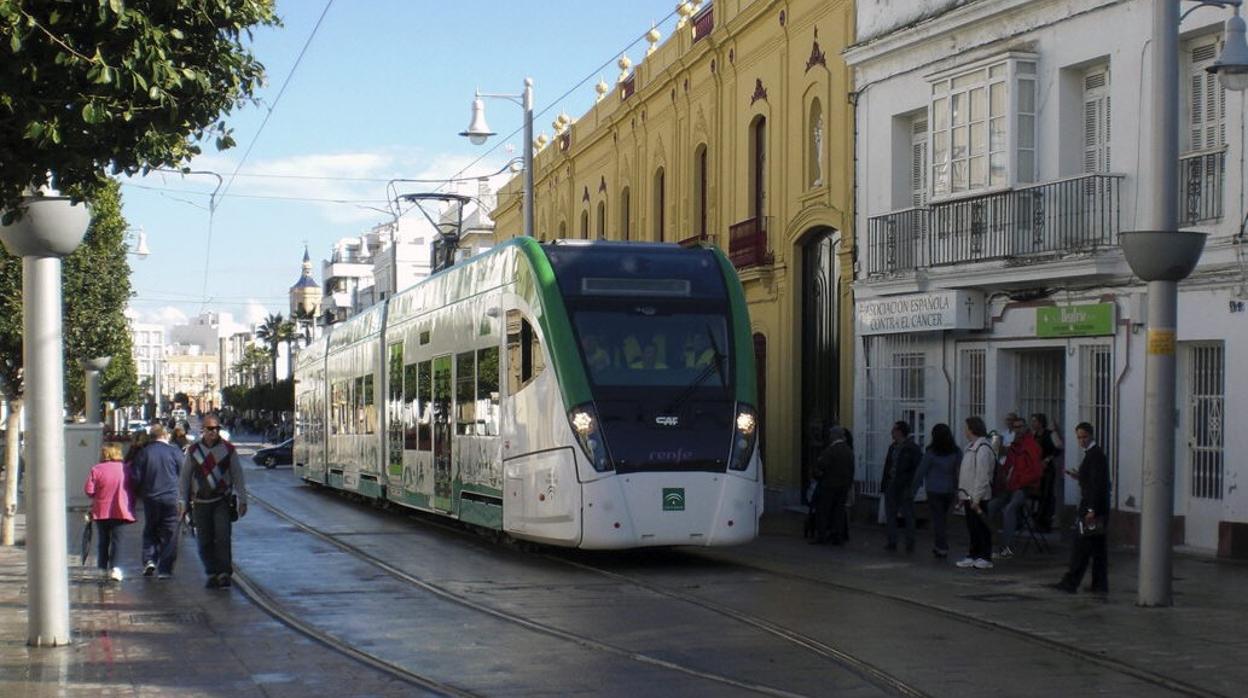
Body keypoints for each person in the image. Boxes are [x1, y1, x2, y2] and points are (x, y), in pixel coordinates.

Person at [179, 415, 247, 589]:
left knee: (223, 537)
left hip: (221, 501)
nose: (213, 432)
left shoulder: (228, 450)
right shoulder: (194, 451)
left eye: (216, 429)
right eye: (210, 429)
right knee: (204, 540)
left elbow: (237, 475)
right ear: (203, 430)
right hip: (200, 502)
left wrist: (242, 499)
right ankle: (211, 572)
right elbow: (185, 477)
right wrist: (183, 502)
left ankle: (224, 572)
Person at [1055, 422, 1110, 594]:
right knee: (1097, 548)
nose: (1081, 441)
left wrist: (1091, 509)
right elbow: (1091, 481)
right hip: (1097, 507)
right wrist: (1078, 476)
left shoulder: (1095, 455)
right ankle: (1099, 584)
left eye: (1084, 437)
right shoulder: (1092, 455)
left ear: (1091, 435)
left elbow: (1097, 484)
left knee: (1082, 546)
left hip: (1092, 508)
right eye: (1079, 437)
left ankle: (1071, 582)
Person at [131, 424, 184, 579]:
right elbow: (184, 473)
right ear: (165, 435)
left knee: (151, 529)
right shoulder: (174, 452)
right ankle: (165, 569)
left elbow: (136, 476)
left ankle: (149, 560)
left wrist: (139, 493)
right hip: (171, 497)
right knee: (170, 532)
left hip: (151, 497)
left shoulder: (144, 453)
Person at [990, 417, 1044, 559]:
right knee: (990, 506)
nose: (1018, 430)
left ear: (1025, 427)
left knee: (1009, 509)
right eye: (1015, 427)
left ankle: (1005, 548)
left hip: (1026, 487)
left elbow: (1036, 472)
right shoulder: (1014, 447)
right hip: (1011, 486)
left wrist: (1019, 481)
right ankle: (989, 542)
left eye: (1020, 427)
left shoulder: (1031, 446)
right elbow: (1007, 467)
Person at [83, 443, 136, 582]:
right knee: (117, 541)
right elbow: (134, 486)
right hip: (121, 509)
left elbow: (89, 490)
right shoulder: (126, 469)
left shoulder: (96, 469)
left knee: (103, 540)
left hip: (101, 510)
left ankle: (101, 568)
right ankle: (115, 568)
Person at [912, 423, 961, 558]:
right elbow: (960, 471)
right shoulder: (956, 452)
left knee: (938, 519)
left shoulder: (931, 452)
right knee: (944, 519)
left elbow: (920, 472)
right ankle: (940, 544)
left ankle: (941, 546)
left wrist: (913, 490)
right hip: (950, 489)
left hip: (934, 490)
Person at [957, 416, 996, 570]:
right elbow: (966, 474)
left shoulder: (983, 449)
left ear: (972, 429)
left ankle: (984, 556)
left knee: (981, 527)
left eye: (966, 427)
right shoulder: (970, 447)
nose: (964, 430)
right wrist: (962, 495)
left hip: (978, 497)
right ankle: (973, 554)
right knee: (972, 528)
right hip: (968, 495)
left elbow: (982, 476)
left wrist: (977, 498)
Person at [881, 420, 922, 552]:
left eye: (894, 430)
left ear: (899, 431)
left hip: (905, 485)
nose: (891, 432)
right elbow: (888, 466)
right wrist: (884, 484)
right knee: (890, 514)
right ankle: (892, 541)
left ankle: (910, 542)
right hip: (891, 484)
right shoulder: (892, 447)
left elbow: (917, 468)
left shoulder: (912, 448)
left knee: (908, 514)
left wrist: (912, 485)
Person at [809, 426, 854, 545]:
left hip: (828, 485)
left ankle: (822, 536)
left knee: (824, 511)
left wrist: (817, 472)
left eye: (831, 435)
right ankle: (837, 536)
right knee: (839, 512)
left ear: (834, 436)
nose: (829, 437)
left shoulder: (830, 450)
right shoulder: (848, 451)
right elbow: (851, 470)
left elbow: (822, 465)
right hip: (843, 486)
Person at [1030, 413, 1063, 532]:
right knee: (1037, 494)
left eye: (1035, 421)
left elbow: (1058, 448)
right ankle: (1037, 519)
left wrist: (1048, 459)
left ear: (1041, 422)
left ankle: (1045, 522)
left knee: (1047, 494)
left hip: (1047, 469)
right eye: (1032, 421)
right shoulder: (1033, 435)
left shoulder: (1050, 434)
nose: (1033, 423)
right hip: (1036, 469)